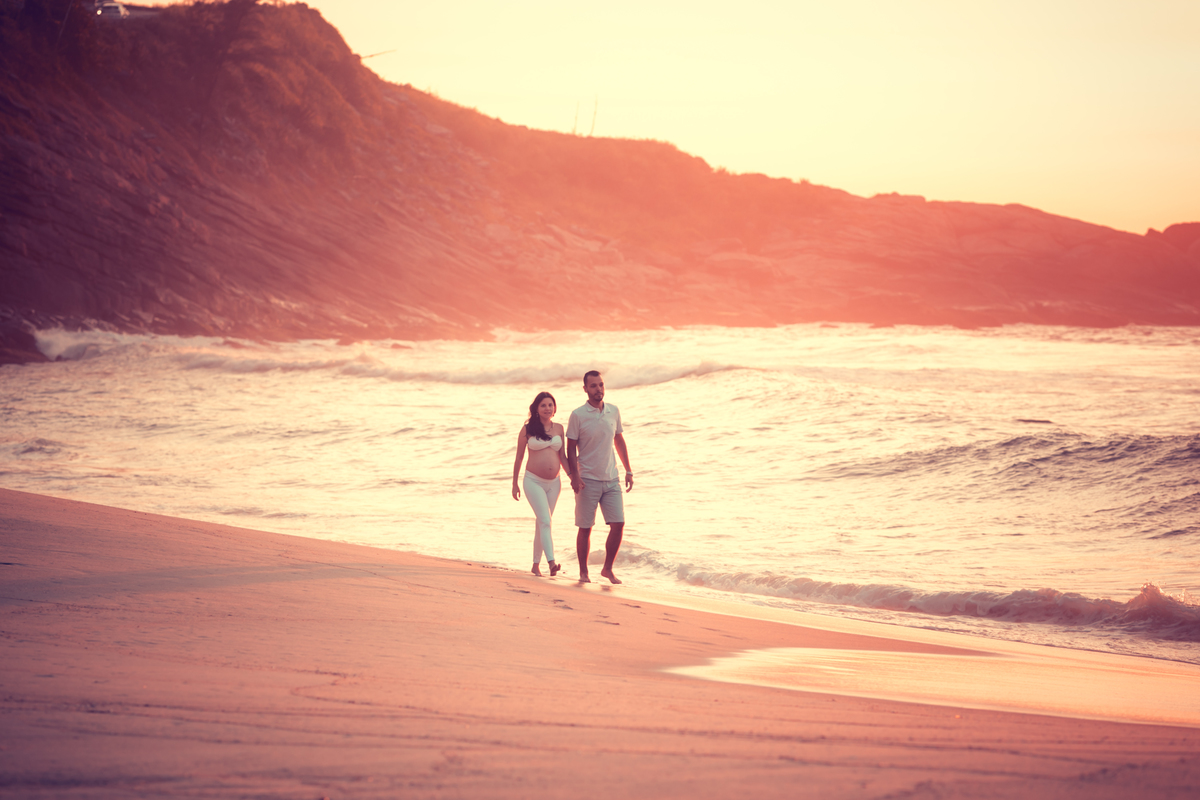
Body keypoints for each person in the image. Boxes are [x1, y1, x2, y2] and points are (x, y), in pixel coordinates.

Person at [566, 370, 633, 584]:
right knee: (585, 528)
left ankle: (607, 569)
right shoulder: (578, 415)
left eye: (601, 385)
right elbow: (570, 448)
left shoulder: (613, 411)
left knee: (618, 524)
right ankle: (583, 572)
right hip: (587, 480)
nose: (598, 389)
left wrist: (628, 470)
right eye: (593, 386)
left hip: (611, 479)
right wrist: (574, 476)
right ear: (585, 389)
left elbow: (619, 440)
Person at [512, 391, 571, 577]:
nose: (547, 408)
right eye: (543, 405)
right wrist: (514, 483)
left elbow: (563, 457)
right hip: (533, 481)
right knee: (546, 521)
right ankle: (551, 562)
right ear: (536, 408)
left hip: (555, 483)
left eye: (550, 405)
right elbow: (519, 457)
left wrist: (573, 478)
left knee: (542, 523)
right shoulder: (528, 429)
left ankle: (535, 565)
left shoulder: (559, 428)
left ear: (554, 408)